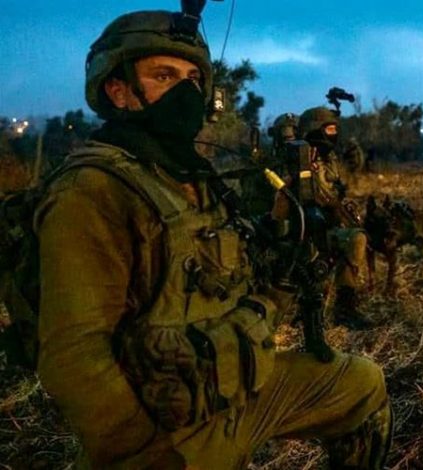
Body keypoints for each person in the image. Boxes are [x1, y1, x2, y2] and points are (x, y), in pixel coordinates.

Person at [34, 8, 390, 469]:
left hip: (230, 386)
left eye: (192, 79)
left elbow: (225, 287)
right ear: (118, 91)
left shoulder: (190, 177)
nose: (185, 92)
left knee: (361, 386)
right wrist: (147, 452)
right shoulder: (93, 190)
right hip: (167, 429)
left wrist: (283, 272)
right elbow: (74, 358)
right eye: (164, 76)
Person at [292, 106, 371, 328]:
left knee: (356, 238)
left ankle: (345, 310)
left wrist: (342, 205)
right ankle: (304, 309)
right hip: (300, 226)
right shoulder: (295, 158)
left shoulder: (329, 159)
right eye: (329, 129)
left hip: (326, 223)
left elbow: (335, 187)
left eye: (335, 130)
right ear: (314, 130)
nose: (333, 135)